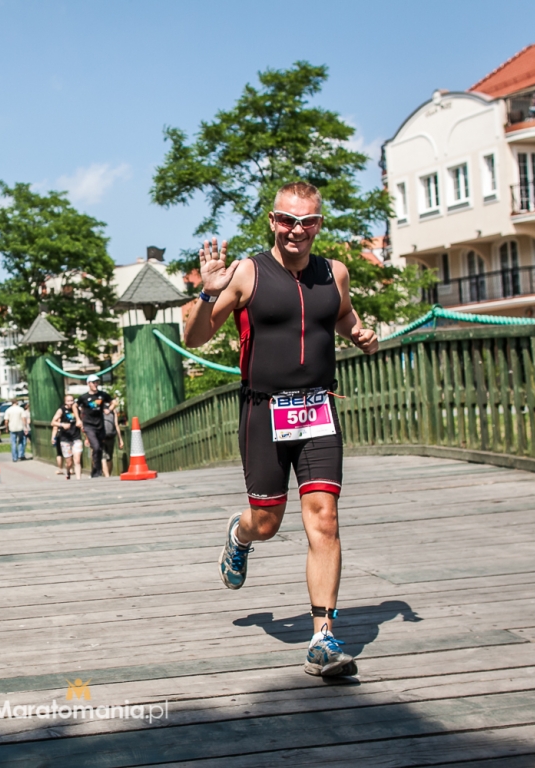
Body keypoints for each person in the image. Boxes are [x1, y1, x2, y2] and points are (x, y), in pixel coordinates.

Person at [184, 181, 379, 678]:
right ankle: (240, 534)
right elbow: (196, 337)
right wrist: (208, 293)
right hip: (263, 411)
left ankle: (322, 638)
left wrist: (359, 333)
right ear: (272, 221)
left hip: (318, 409)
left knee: (324, 518)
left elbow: (342, 315)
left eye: (307, 221)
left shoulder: (335, 273)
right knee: (267, 522)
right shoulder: (247, 273)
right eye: (288, 220)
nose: (297, 230)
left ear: (318, 224)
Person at [76, 375, 116, 478]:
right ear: (88, 383)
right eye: (93, 382)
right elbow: (75, 406)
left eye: (96, 382)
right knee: (96, 447)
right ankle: (97, 471)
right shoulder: (84, 397)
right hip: (89, 425)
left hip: (100, 425)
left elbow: (113, 402)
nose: (95, 384)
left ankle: (95, 471)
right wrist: (78, 419)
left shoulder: (102, 395)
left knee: (99, 449)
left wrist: (109, 409)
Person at [50, 395, 84, 480]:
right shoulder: (61, 410)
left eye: (72, 400)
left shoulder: (77, 409)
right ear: (65, 402)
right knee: (69, 462)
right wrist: (62, 425)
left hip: (76, 437)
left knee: (77, 460)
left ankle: (78, 479)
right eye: (68, 401)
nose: (70, 403)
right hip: (65, 439)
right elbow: (53, 422)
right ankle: (68, 471)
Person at [101, 402, 124, 477]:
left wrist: (120, 439)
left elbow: (116, 425)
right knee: (103, 457)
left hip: (110, 436)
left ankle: (108, 475)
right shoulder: (100, 408)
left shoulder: (114, 412)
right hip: (101, 437)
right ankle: (107, 476)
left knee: (109, 457)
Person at [3, 397, 30, 462]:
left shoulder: (8, 410)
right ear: (17, 402)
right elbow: (24, 418)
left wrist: (6, 428)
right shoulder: (20, 409)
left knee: (13, 442)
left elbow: (6, 421)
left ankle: (15, 457)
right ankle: (21, 455)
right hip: (20, 427)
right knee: (21, 441)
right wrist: (25, 427)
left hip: (12, 428)